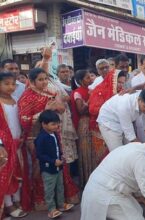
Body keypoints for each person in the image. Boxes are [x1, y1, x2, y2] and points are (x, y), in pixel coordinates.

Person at [18, 68, 79, 211]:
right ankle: (45, 203)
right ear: (31, 81)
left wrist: (58, 106)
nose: (44, 82)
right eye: (40, 79)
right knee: (44, 170)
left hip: (54, 135)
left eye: (46, 79)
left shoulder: (50, 93)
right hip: (36, 139)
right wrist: (44, 111)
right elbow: (24, 121)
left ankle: (61, 200)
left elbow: (62, 109)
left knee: (59, 168)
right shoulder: (26, 97)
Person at [34, 110, 74, 218]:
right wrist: (53, 161)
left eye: (57, 123)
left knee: (60, 187)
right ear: (43, 124)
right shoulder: (41, 138)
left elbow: (57, 148)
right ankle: (51, 209)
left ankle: (61, 205)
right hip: (48, 169)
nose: (57, 126)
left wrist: (61, 156)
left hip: (58, 167)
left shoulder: (54, 134)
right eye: (53, 124)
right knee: (49, 190)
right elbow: (40, 155)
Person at [0, 72, 28, 218]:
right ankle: (9, 206)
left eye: (13, 84)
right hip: (3, 148)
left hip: (18, 144)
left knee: (18, 173)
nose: (11, 87)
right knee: (6, 177)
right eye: (6, 83)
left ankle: (17, 201)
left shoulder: (16, 99)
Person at [88, 70, 127, 169]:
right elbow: (92, 109)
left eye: (123, 82)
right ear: (113, 80)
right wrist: (110, 108)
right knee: (105, 157)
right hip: (100, 128)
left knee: (120, 154)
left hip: (119, 127)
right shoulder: (99, 90)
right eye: (119, 82)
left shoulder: (122, 91)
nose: (121, 85)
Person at [70, 70, 94, 187]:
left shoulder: (90, 90)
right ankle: (86, 180)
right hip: (84, 123)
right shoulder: (77, 93)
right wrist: (90, 99)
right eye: (87, 77)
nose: (91, 79)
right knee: (85, 153)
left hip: (92, 123)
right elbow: (80, 110)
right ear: (80, 81)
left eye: (90, 77)